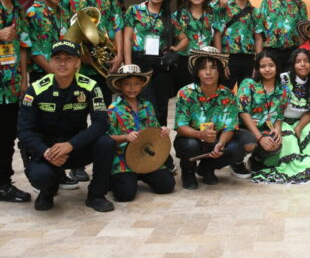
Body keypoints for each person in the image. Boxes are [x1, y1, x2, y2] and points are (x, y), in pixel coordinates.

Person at [18, 40, 115, 211]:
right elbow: (24, 131)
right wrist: (46, 152)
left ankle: (96, 195)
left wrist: (70, 145)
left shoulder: (90, 86)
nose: (62, 63)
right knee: (40, 176)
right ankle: (47, 191)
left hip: (76, 146)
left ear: (77, 62)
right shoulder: (35, 90)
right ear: (51, 62)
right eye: (57, 58)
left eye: (68, 58)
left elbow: (101, 123)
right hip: (47, 150)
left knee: (106, 142)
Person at [251, 48, 310, 183]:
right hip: (280, 121)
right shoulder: (283, 79)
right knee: (289, 137)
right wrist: (284, 128)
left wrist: (298, 128)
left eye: (306, 61)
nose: (303, 64)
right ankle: (295, 166)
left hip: (302, 121)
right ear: (293, 64)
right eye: (298, 61)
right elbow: (277, 108)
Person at [173, 47, 244, 189]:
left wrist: (221, 144)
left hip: (215, 139)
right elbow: (180, 126)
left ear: (220, 71)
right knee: (191, 145)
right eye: (203, 68)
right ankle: (188, 171)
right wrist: (199, 134)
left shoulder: (228, 95)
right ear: (196, 72)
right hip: (191, 138)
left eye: (213, 68)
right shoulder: (185, 93)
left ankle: (207, 168)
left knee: (235, 148)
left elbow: (230, 126)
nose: (208, 72)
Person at [61, 0, 124, 97]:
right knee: (78, 109)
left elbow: (117, 26)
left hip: (105, 62)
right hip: (79, 63)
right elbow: (63, 28)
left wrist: (119, 56)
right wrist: (77, 56)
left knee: (104, 107)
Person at [106, 65, 175, 202]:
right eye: (127, 84)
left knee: (167, 185)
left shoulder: (147, 105)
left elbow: (154, 129)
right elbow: (106, 138)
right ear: (119, 85)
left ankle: (139, 175)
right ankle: (117, 178)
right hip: (123, 160)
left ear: (142, 84)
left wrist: (162, 131)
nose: (132, 88)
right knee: (125, 194)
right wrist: (125, 137)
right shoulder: (113, 109)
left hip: (146, 156)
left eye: (137, 84)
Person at [123, 0, 186, 126]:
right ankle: (144, 139)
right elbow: (127, 39)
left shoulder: (169, 18)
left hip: (161, 64)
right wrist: (128, 65)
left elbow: (184, 39)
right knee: (145, 103)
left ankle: (160, 141)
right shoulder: (135, 10)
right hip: (139, 61)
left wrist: (176, 48)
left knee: (162, 106)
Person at [0, 0, 38, 203]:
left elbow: (24, 47)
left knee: (6, 136)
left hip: (12, 85)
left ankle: (4, 183)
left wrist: (24, 79)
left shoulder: (19, 11)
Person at [237, 50, 289, 175]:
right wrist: (260, 138)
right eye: (263, 66)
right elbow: (243, 112)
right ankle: (237, 162)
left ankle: (255, 160)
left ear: (277, 67)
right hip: (243, 127)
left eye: (271, 65)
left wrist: (277, 129)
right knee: (251, 143)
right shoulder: (248, 84)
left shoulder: (283, 89)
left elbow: (280, 114)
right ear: (257, 69)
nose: (267, 69)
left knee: (275, 143)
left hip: (264, 127)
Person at [213, 0, 263, 90]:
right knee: (224, 92)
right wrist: (222, 61)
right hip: (228, 58)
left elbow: (258, 38)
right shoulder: (224, 8)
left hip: (248, 59)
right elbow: (217, 36)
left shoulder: (255, 12)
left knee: (246, 94)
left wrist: (258, 62)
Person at [172, 0, 218, 90]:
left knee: (206, 92)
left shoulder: (212, 13)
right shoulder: (177, 15)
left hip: (206, 60)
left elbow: (217, 35)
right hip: (185, 61)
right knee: (186, 94)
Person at [26, 0, 70, 84]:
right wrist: (55, 74)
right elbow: (34, 51)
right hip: (42, 74)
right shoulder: (34, 12)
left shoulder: (65, 12)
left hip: (65, 73)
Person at [260, 0, 309, 71]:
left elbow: (302, 32)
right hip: (270, 51)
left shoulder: (301, 5)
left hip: (292, 52)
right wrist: (260, 54)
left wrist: (300, 54)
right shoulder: (269, 0)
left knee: (289, 83)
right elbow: (260, 27)